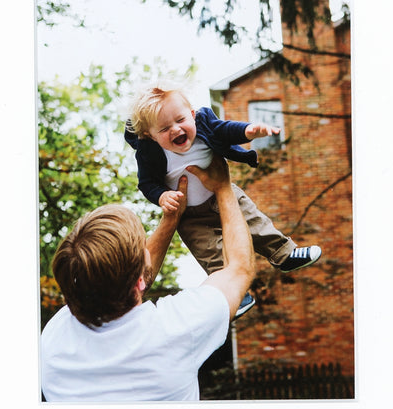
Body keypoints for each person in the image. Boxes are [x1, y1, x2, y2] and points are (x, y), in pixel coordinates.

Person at [40, 160, 255, 402]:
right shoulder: (176, 330)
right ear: (140, 282)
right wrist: (223, 187)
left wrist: (171, 220)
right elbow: (239, 269)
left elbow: (119, 280)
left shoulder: (54, 339)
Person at [124, 83, 321, 316]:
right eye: (165, 128)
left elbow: (224, 129)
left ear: (192, 115)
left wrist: (247, 131)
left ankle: (284, 253)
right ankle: (231, 294)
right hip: (189, 216)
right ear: (150, 135)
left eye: (180, 120)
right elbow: (146, 183)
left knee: (256, 224)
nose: (176, 130)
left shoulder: (204, 122)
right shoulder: (150, 153)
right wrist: (162, 196)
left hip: (225, 195)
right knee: (211, 253)